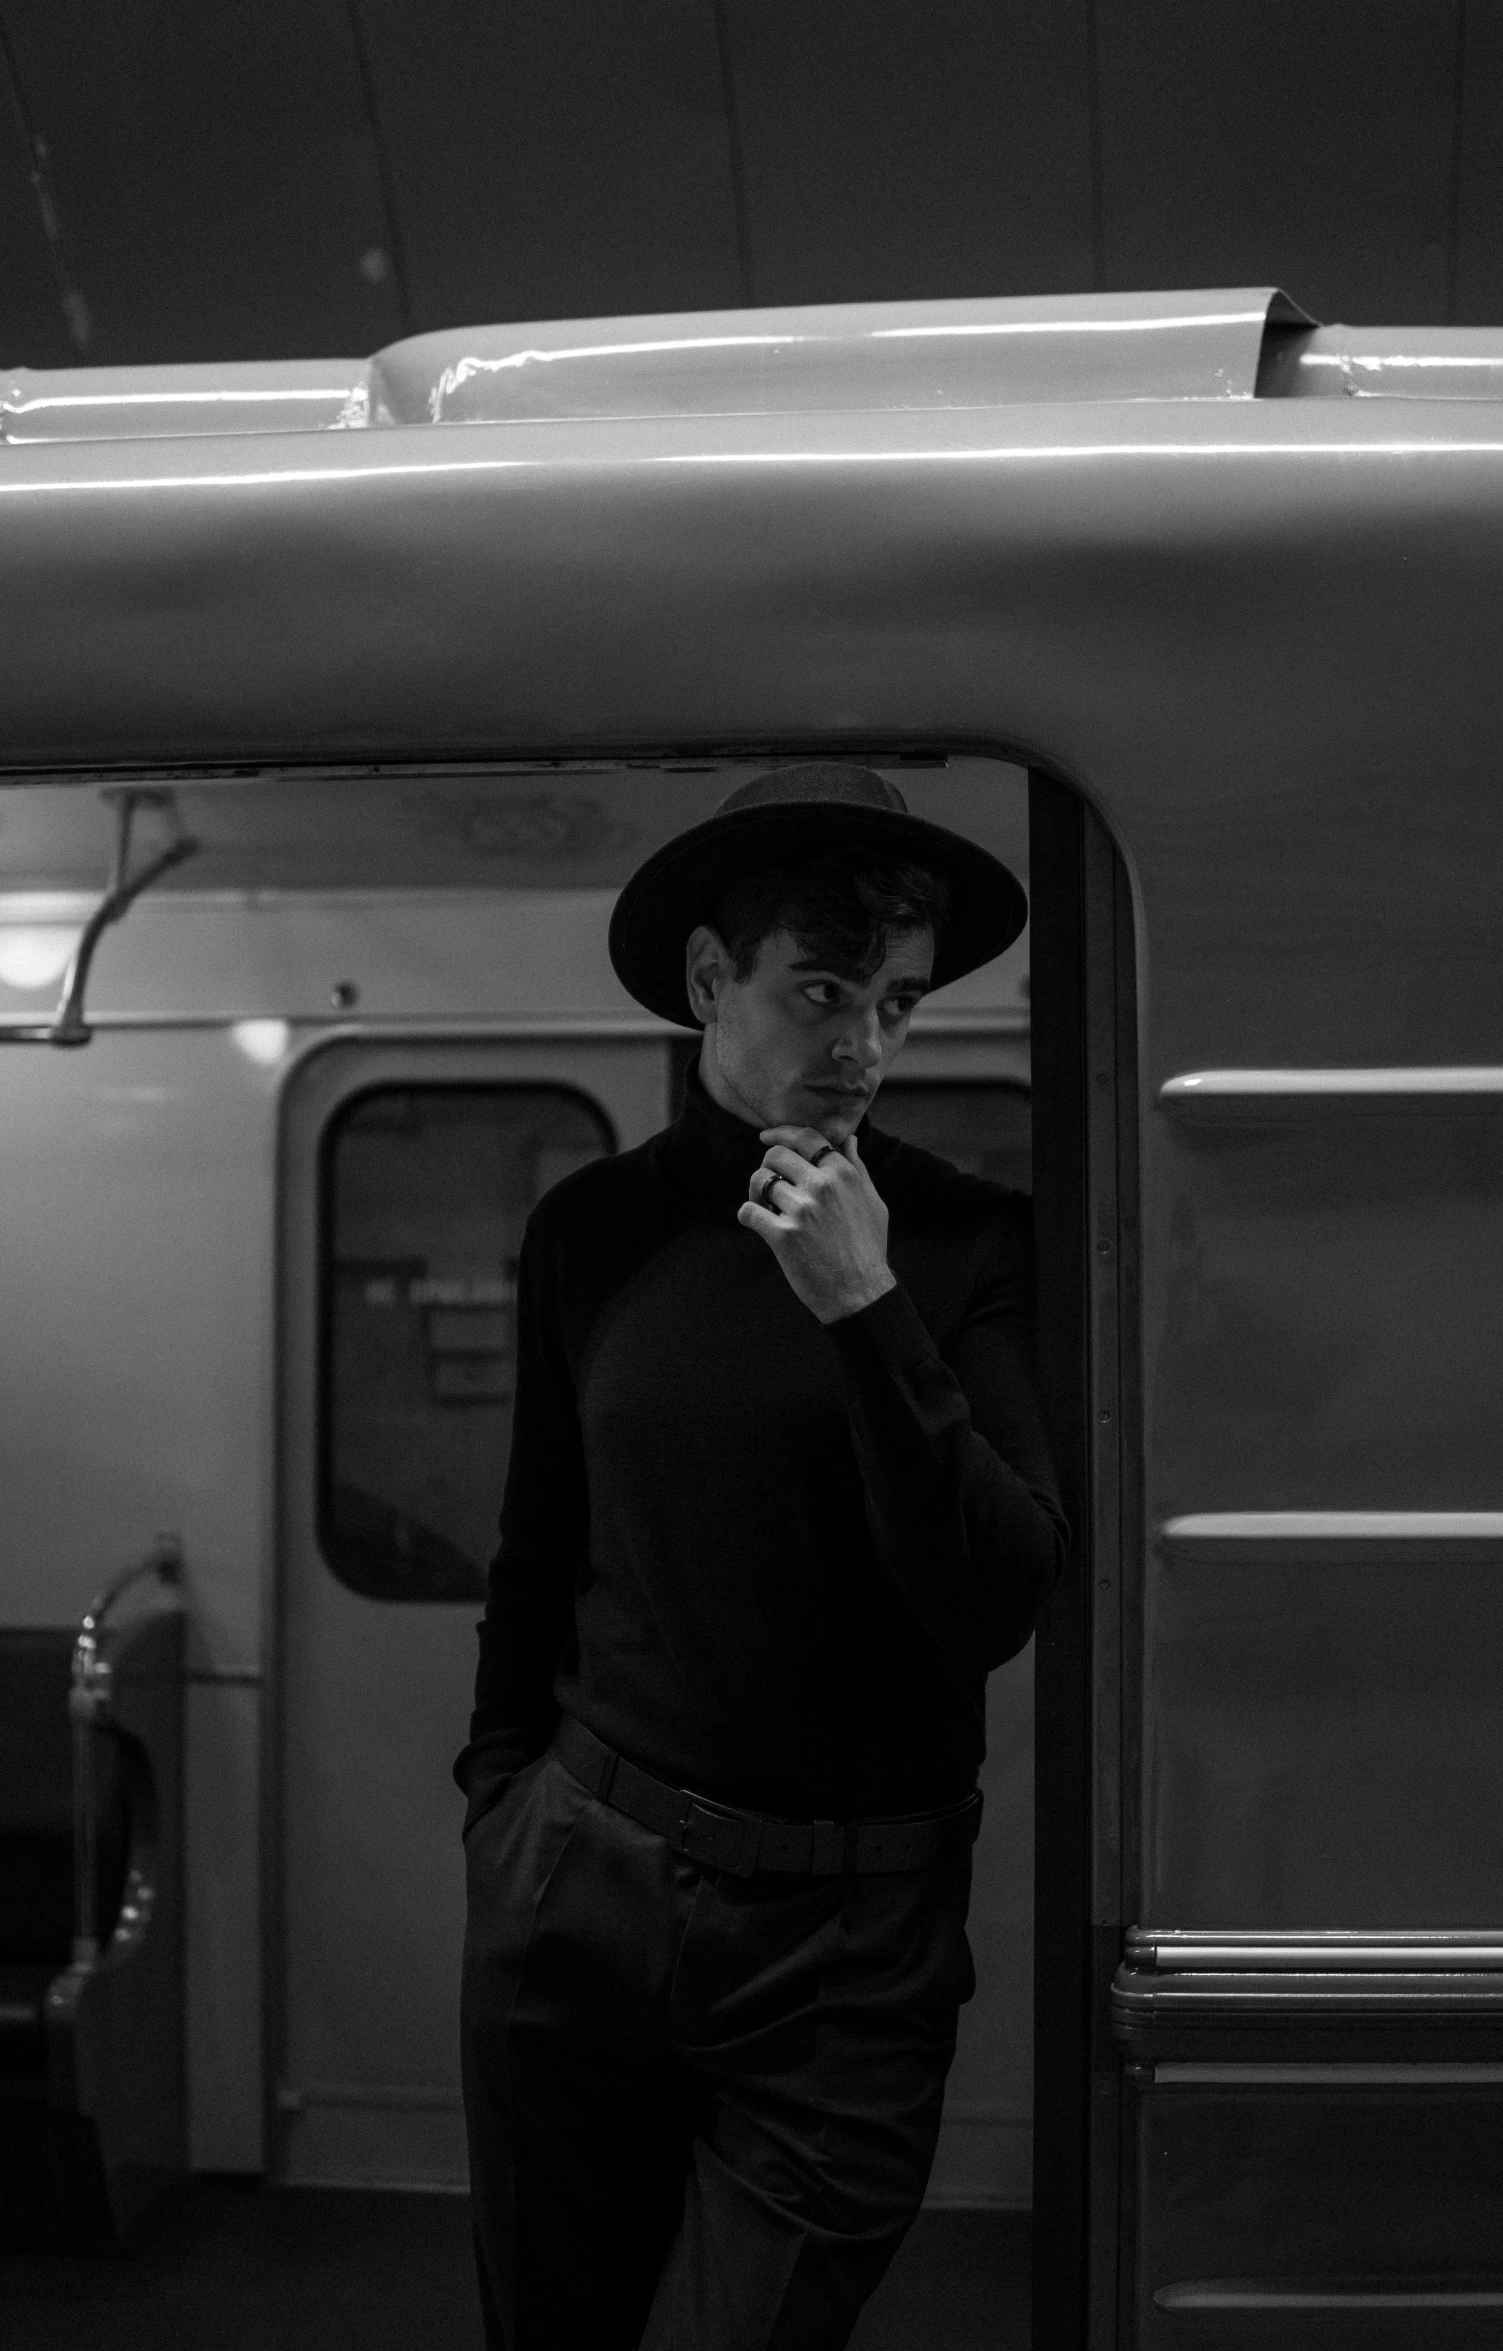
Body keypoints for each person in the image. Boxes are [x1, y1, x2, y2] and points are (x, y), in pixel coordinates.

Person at [456, 761, 1068, 2351]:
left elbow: (999, 1593)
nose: (862, 1044)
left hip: (849, 1941)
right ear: (712, 980)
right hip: (585, 1873)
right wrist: (500, 1808)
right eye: (819, 988)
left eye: (898, 1001)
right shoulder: (591, 1231)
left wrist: (865, 1312)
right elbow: (536, 1545)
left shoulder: (960, 1243)